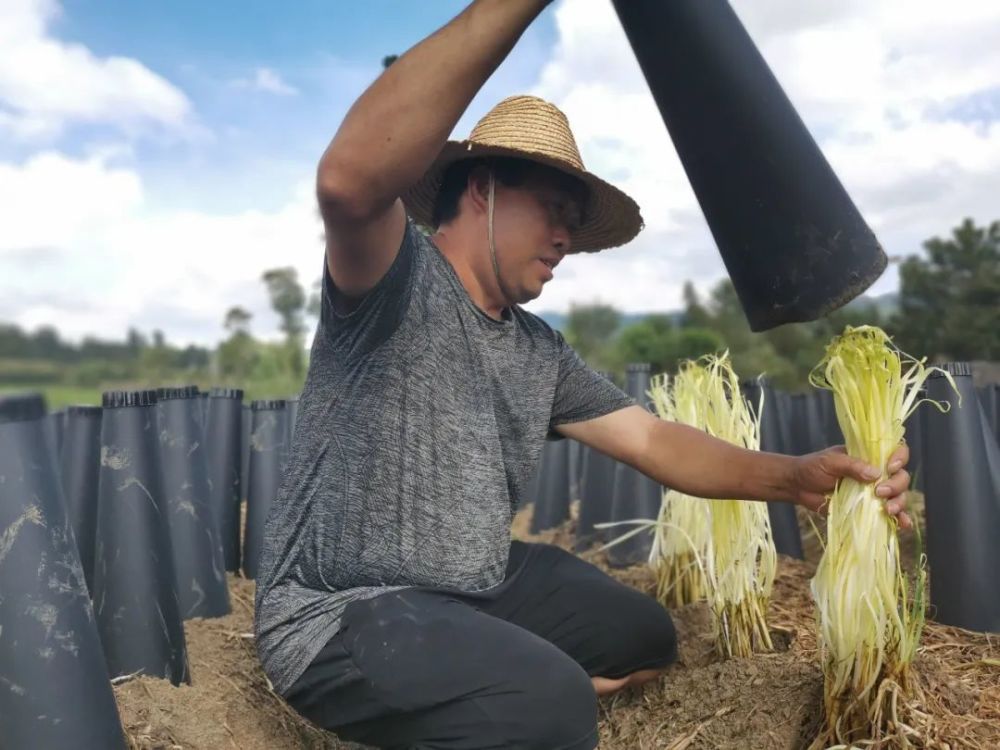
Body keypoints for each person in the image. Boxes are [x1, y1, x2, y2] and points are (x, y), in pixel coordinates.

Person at [254, 2, 912, 748]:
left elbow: (653, 441)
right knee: (550, 704)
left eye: (574, 216)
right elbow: (348, 183)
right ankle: (499, 697)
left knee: (639, 636)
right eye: (552, 209)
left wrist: (796, 478)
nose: (566, 236)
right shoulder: (393, 284)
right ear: (482, 190)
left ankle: (487, 685)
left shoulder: (539, 351)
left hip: (474, 588)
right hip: (344, 610)